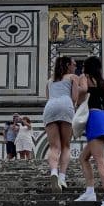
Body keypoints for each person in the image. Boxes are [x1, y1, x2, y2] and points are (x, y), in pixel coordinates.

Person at [75, 56, 104, 206]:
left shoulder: (84, 77)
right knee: (83, 157)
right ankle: (89, 191)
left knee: (100, 161)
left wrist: (75, 88)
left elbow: (81, 95)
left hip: (95, 118)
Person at [42, 55, 80, 191]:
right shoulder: (73, 78)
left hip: (50, 107)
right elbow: (75, 98)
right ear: (68, 66)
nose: (75, 67)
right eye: (74, 64)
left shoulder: (49, 81)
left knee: (54, 147)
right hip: (66, 105)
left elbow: (48, 97)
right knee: (65, 146)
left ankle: (53, 172)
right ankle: (62, 177)